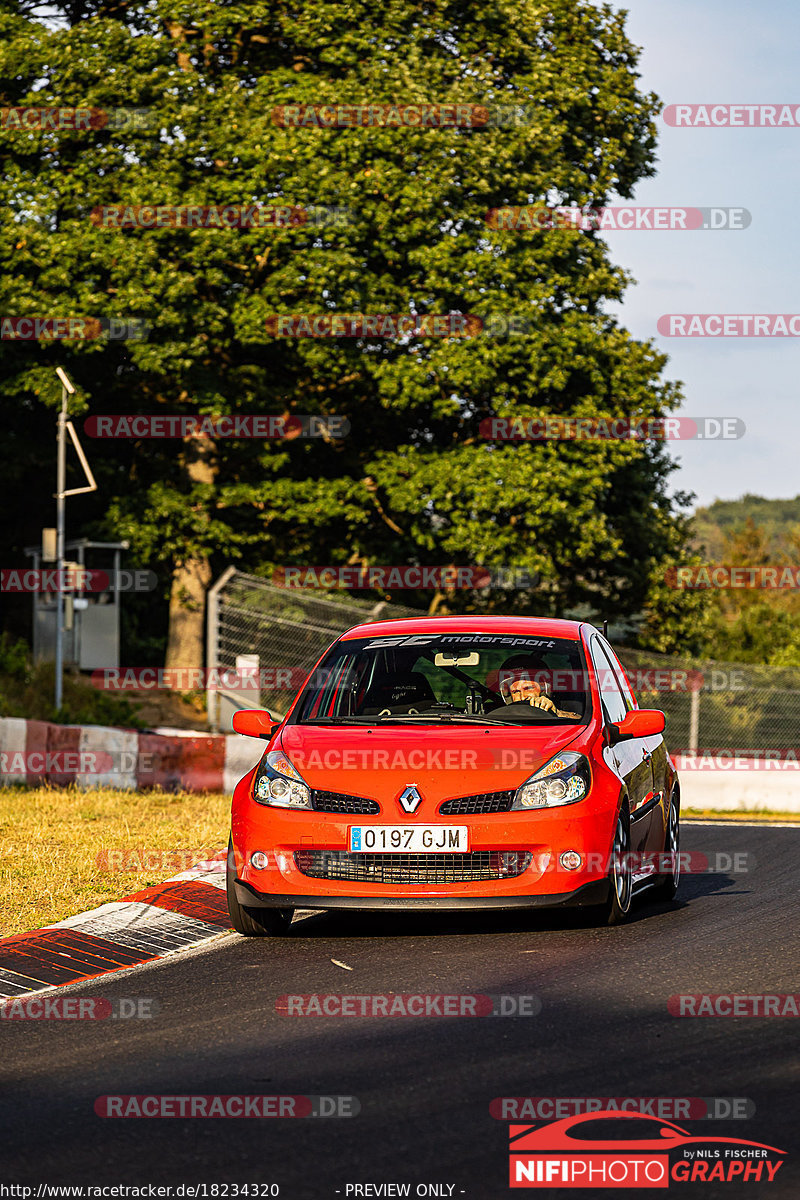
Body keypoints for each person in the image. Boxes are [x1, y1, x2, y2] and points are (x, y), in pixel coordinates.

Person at [494, 654, 580, 718]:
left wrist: (556, 713)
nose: (523, 697)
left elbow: (582, 722)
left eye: (529, 688)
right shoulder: (496, 716)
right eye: (515, 692)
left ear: (544, 689)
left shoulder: (559, 710)